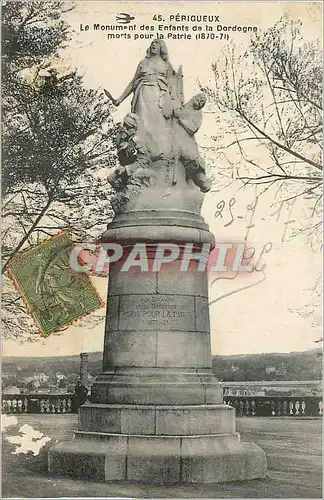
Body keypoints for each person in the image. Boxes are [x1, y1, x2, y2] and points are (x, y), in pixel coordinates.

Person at [104, 40, 180, 158]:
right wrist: (120, 99)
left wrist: (175, 104)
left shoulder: (166, 65)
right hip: (143, 95)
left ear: (162, 48)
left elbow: (173, 85)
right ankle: (141, 153)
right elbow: (133, 82)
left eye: (157, 44)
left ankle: (159, 154)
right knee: (141, 124)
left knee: (159, 125)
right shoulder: (143, 63)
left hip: (160, 97)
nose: (154, 45)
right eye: (152, 44)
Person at [172, 93, 212, 192]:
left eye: (203, 102)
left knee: (193, 161)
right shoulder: (181, 107)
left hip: (187, 141)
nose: (200, 101)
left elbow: (192, 128)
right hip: (175, 137)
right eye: (199, 98)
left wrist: (180, 118)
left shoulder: (198, 113)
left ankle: (201, 181)